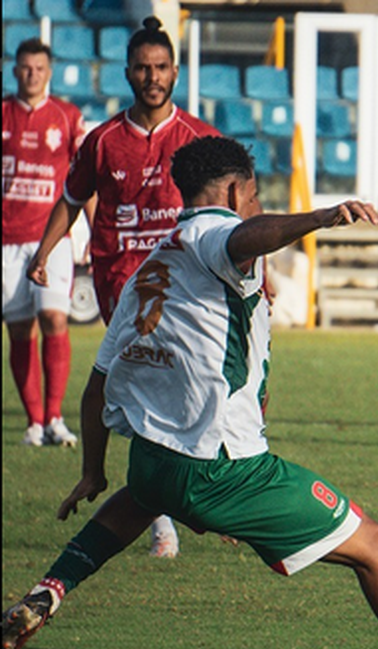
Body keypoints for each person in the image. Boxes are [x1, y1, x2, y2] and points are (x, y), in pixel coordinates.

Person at [1, 136, 378, 649]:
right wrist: (318, 218)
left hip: (156, 462)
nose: (258, 208)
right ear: (233, 190)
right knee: (375, 546)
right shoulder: (217, 237)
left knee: (140, 497)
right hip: (223, 469)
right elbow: (245, 238)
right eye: (256, 196)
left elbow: (96, 385)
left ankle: (49, 590)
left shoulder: (150, 268)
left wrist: (92, 470)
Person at [28, 16, 221, 559]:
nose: (152, 76)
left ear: (175, 72)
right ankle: (161, 514)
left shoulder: (199, 138)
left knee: (190, 387)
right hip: (122, 285)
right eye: (142, 67)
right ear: (128, 72)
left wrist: (261, 276)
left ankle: (197, 493)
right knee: (140, 394)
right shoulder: (103, 141)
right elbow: (71, 197)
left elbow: (232, 213)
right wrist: (45, 252)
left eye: (161, 67)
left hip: (185, 285)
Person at [2, 38, 85, 448]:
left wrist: (93, 229)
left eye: (39, 68)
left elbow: (86, 181)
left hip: (52, 238)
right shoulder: (1, 113)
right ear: (14, 71)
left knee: (54, 318)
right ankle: (34, 423)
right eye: (25, 67)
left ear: (49, 72)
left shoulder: (68, 117)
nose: (32, 74)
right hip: (6, 240)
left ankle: (55, 417)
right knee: (19, 329)